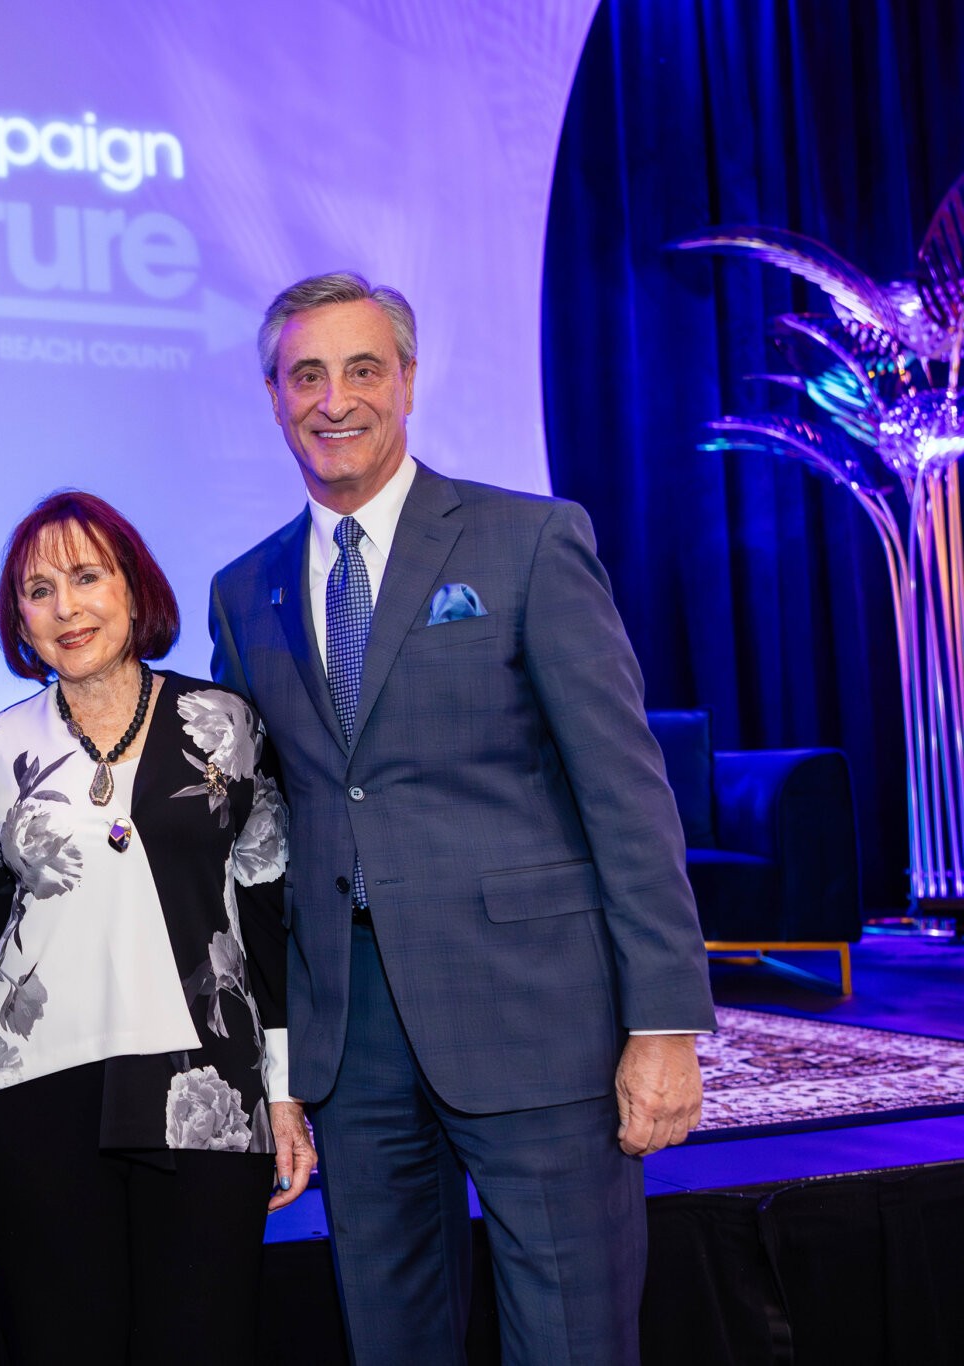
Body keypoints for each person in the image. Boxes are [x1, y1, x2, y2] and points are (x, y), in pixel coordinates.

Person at [210, 271, 716, 1364]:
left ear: (406, 380)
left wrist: (665, 1021)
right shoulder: (242, 592)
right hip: (351, 1037)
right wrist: (274, 1064)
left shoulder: (527, 541)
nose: (334, 399)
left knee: (573, 1339)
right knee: (392, 1338)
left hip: (533, 1014)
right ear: (273, 395)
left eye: (362, 369)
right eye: (306, 374)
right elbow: (261, 832)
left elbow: (625, 791)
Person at [0, 490, 315, 1364]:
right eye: (39, 591)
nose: (66, 607)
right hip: (31, 1091)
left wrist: (284, 1088)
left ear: (133, 586)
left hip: (207, 1087)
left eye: (88, 577)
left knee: (204, 1338)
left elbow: (266, 908)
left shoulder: (225, 725)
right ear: (19, 619)